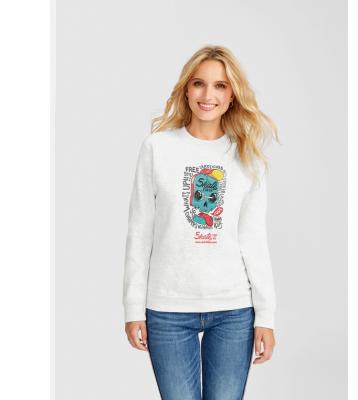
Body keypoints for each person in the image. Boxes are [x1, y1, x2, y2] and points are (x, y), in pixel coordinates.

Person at [122, 45, 280, 400]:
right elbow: (140, 232)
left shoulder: (247, 157)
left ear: (232, 95)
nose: (208, 95)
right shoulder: (157, 148)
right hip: (168, 308)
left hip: (233, 310)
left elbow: (254, 241)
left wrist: (266, 316)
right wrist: (133, 308)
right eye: (199, 83)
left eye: (220, 86)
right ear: (186, 89)